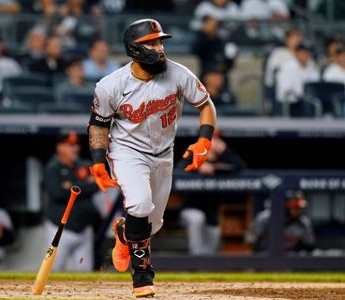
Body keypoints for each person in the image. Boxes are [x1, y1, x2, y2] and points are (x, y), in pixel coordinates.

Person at [88, 19, 216, 297]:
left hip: (164, 152)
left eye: (160, 42)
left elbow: (206, 105)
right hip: (127, 151)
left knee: (152, 224)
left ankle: (124, 233)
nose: (160, 48)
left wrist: (204, 140)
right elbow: (98, 125)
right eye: (152, 43)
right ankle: (143, 275)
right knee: (140, 203)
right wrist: (98, 159)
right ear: (134, 49)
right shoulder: (111, 84)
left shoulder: (178, 73)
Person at [177, 130, 246, 255]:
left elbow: (241, 166)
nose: (212, 143)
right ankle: (196, 259)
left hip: (212, 215)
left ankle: (204, 267)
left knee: (212, 240)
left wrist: (225, 151)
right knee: (197, 218)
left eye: (215, 139)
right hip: (189, 210)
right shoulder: (194, 153)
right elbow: (178, 169)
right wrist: (198, 165)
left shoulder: (224, 159)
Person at [42, 131, 99, 272]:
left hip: (84, 228)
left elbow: (97, 184)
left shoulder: (85, 165)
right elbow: (57, 193)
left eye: (76, 145)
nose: (75, 149)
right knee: (53, 270)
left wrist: (72, 187)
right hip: (59, 230)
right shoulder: (52, 168)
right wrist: (85, 185)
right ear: (60, 147)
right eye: (70, 145)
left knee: (84, 270)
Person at [246, 190, 315, 252]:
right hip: (263, 258)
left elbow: (309, 245)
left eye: (299, 208)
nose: (298, 211)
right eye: (294, 208)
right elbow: (250, 241)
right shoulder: (264, 218)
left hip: (289, 261)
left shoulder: (304, 223)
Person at [276, 43, 320, 116]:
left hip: (309, 103)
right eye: (303, 52)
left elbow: (315, 86)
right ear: (296, 53)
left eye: (308, 52)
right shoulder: (287, 67)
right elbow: (285, 91)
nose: (306, 54)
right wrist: (302, 96)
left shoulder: (313, 68)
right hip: (290, 104)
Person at [192, 16, 237, 85]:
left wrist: (230, 58)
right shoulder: (202, 40)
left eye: (214, 25)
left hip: (222, 79)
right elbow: (196, 50)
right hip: (206, 78)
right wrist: (206, 34)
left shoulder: (222, 43)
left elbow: (230, 64)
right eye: (209, 25)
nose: (212, 28)